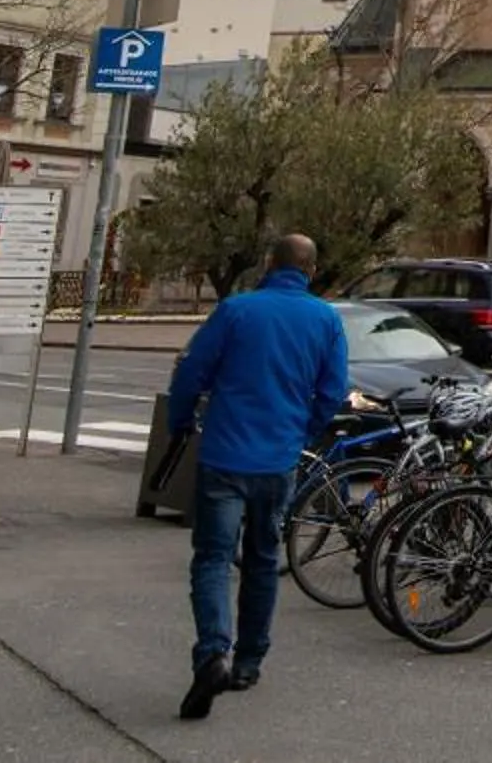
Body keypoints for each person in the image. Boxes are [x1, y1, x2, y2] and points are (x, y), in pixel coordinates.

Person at [162, 231, 348, 720]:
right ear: (310, 271)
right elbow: (333, 391)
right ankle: (248, 662)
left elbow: (192, 371)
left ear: (269, 263)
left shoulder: (237, 310)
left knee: (212, 559)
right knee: (263, 560)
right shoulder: (326, 319)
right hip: (278, 460)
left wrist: (180, 421)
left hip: (224, 454)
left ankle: (212, 654)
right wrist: (303, 431)